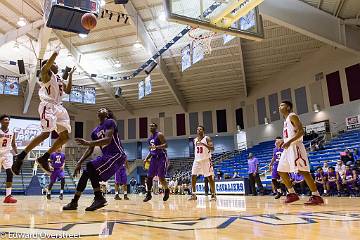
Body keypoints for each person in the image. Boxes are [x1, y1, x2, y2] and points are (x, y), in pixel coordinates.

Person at [12, 47, 76, 175]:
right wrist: (55, 53)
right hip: (48, 106)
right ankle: (21, 156)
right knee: (46, 134)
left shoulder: (58, 78)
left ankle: (44, 157)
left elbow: (68, 91)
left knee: (65, 137)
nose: (57, 65)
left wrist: (70, 76)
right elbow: (45, 67)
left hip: (59, 107)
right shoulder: (46, 75)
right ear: (50, 65)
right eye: (55, 64)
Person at [63, 108, 127, 211]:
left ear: (107, 113)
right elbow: (90, 149)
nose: (100, 109)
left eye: (103, 109)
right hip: (107, 156)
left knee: (90, 166)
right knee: (86, 172)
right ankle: (74, 202)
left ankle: (99, 197)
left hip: (117, 155)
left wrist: (88, 142)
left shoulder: (110, 122)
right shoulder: (94, 132)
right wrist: (79, 162)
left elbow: (107, 140)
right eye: (99, 109)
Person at [277, 101, 324, 205]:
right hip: (288, 148)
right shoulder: (285, 121)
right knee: (281, 170)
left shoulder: (292, 116)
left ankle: (316, 195)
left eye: (282, 105)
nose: (279, 107)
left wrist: (288, 141)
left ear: (288, 107)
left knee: (303, 172)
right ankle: (292, 194)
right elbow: (290, 134)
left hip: (295, 147)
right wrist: (283, 141)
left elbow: (301, 131)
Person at [143, 123, 170, 202]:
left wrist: (157, 147)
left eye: (153, 126)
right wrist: (146, 158)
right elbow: (152, 151)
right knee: (149, 177)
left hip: (161, 157)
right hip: (153, 159)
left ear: (156, 127)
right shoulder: (149, 139)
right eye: (150, 126)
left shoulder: (159, 135)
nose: (151, 127)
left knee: (161, 178)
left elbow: (166, 145)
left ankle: (167, 190)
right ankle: (148, 194)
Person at [188, 125, 216, 201]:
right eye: (197, 129)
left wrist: (204, 144)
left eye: (200, 129)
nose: (198, 131)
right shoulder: (195, 140)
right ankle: (194, 194)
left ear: (203, 131)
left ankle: (213, 195)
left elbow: (212, 148)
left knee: (210, 177)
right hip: (197, 160)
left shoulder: (207, 138)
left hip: (206, 160)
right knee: (193, 176)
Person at [0, 115, 18, 203]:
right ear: (1, 122)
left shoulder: (12, 132)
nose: (7, 121)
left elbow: (13, 144)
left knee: (10, 173)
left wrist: (17, 154)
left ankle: (8, 196)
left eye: (8, 120)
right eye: (5, 120)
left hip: (7, 154)